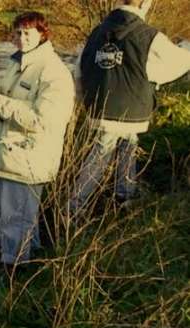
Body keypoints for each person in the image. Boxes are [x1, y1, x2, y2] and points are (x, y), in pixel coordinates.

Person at [70, 0, 190, 215]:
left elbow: (79, 69)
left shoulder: (97, 32)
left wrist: (84, 100)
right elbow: (179, 62)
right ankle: (74, 206)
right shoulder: (148, 35)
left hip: (99, 106)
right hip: (131, 107)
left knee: (127, 144)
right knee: (102, 152)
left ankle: (125, 193)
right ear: (145, 4)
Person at [0, 12, 75, 267]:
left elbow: (43, 121)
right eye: (17, 32)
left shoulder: (53, 72)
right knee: (23, 218)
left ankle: (14, 272)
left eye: (27, 33)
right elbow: (13, 99)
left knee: (14, 219)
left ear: (43, 34)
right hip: (12, 154)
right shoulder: (18, 62)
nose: (21, 38)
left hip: (29, 158)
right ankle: (30, 264)